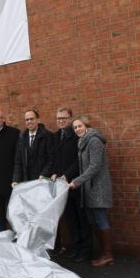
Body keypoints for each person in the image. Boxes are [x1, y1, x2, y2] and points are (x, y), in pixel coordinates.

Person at [68, 116, 115, 267]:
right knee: (94, 220)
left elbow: (94, 166)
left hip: (98, 187)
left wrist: (77, 181)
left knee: (100, 219)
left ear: (86, 125)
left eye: (80, 126)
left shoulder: (94, 140)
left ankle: (108, 255)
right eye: (75, 127)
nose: (77, 129)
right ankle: (103, 253)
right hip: (90, 188)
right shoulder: (82, 142)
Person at [51, 107, 92, 262]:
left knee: (82, 218)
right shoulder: (55, 137)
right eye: (58, 118)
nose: (61, 121)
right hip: (62, 185)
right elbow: (54, 158)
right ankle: (76, 247)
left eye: (64, 118)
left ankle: (86, 250)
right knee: (70, 218)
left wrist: (67, 175)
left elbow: (78, 160)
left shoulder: (76, 135)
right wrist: (54, 172)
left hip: (77, 183)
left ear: (70, 118)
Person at [12, 109, 55, 186]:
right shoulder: (21, 138)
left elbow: (51, 159)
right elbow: (18, 161)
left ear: (38, 120)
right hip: (27, 181)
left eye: (31, 119)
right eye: (27, 120)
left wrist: (44, 175)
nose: (29, 121)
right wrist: (16, 180)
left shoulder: (47, 136)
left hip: (43, 181)